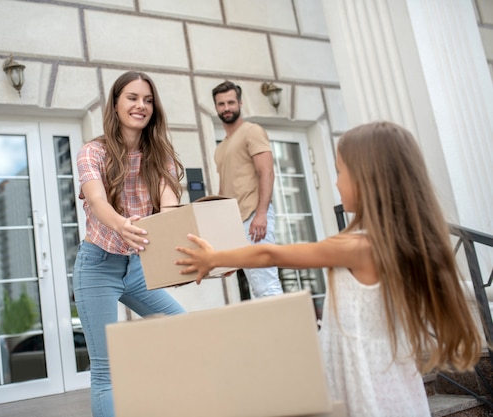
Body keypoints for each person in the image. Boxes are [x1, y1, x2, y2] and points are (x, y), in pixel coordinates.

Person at [175, 121, 483, 416]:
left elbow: (271, 255)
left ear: (367, 179)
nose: (335, 181)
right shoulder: (399, 244)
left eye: (340, 171)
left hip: (366, 386)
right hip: (395, 383)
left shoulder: (358, 248)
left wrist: (215, 258)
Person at [74, 70, 186, 417]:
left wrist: (176, 245)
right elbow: (96, 201)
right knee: (107, 371)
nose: (141, 105)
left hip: (137, 267)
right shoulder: (92, 152)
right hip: (98, 266)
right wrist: (122, 225)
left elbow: (168, 207)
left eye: (148, 100)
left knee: (184, 330)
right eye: (133, 98)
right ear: (116, 104)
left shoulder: (159, 155)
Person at [211, 80, 283, 298]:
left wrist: (261, 215)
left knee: (266, 284)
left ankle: (289, 330)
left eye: (231, 102)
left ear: (240, 103)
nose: (227, 108)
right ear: (216, 108)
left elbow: (266, 172)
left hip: (254, 219)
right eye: (221, 104)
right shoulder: (221, 147)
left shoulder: (252, 131)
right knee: (256, 286)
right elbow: (225, 191)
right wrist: (227, 239)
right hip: (238, 222)